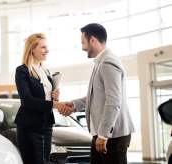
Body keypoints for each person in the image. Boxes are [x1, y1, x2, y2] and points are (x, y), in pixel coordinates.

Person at [61, 23, 135, 164]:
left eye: (83, 42)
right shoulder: (100, 63)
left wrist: (103, 135)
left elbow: (113, 100)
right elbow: (96, 96)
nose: (82, 47)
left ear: (92, 40)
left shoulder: (108, 62)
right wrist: (74, 105)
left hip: (111, 136)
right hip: (103, 134)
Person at [14, 33, 71, 164]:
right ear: (32, 49)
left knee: (45, 161)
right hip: (29, 126)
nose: (47, 50)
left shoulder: (46, 72)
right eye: (43, 47)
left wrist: (54, 97)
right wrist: (54, 105)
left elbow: (47, 98)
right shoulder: (22, 71)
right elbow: (27, 100)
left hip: (46, 124)